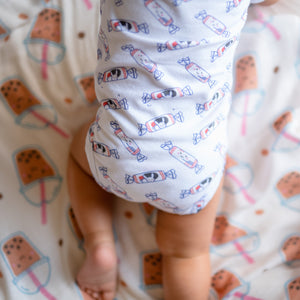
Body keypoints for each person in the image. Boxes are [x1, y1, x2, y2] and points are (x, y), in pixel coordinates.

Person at [67, 0, 278, 299]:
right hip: (192, 166)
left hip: (117, 148)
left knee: (80, 155)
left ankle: (99, 243)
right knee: (186, 254)